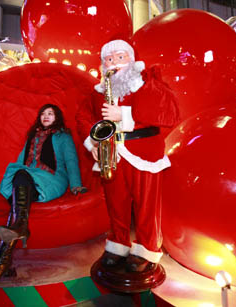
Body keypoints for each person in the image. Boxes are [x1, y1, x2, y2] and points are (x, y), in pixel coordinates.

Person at [76, 40, 180, 273]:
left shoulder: (146, 84)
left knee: (146, 206)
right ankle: (118, 244)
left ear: (132, 60)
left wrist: (122, 114)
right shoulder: (99, 92)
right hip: (112, 152)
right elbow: (83, 116)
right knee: (116, 204)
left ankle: (146, 249)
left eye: (119, 57)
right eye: (109, 60)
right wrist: (91, 141)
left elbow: (167, 112)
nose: (114, 63)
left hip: (143, 152)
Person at [0, 103, 86, 289]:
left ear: (57, 117)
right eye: (43, 114)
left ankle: (0, 265)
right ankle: (11, 244)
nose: (46, 116)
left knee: (20, 183)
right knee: (19, 175)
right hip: (28, 178)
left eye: (50, 114)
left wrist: (76, 185)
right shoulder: (32, 136)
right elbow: (21, 161)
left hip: (52, 179)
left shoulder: (62, 136)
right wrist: (3, 186)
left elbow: (71, 160)